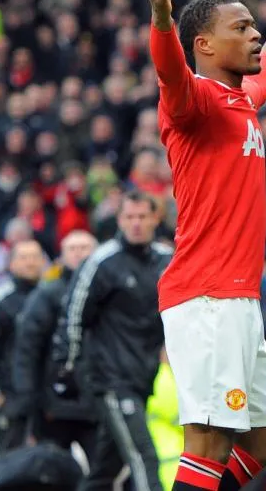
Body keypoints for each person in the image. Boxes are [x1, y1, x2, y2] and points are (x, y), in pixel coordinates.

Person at [145, 0, 266, 491]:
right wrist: (160, 19)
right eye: (240, 27)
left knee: (262, 444)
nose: (254, 35)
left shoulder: (237, 99)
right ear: (205, 45)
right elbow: (170, 70)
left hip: (237, 300)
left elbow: (263, 73)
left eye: (254, 26)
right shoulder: (190, 101)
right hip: (206, 297)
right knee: (209, 443)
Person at [62, 190, 174, 490]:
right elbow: (73, 315)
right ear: (120, 220)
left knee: (106, 469)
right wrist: (69, 367)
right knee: (144, 456)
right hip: (109, 379)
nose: (136, 223)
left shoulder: (168, 260)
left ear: (155, 219)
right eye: (129, 217)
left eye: (142, 217)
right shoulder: (102, 261)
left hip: (144, 375)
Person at [12, 229, 98, 462]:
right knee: (51, 471)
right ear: (61, 256)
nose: (79, 253)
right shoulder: (47, 293)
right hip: (53, 403)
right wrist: (27, 397)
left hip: (96, 400)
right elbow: (28, 348)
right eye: (72, 248)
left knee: (103, 473)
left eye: (85, 247)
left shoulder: (107, 289)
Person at [0, 238, 47, 456]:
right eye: (23, 257)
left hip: (45, 398)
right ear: (11, 264)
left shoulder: (50, 295)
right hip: (9, 395)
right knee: (6, 462)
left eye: (35, 257)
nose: (30, 263)